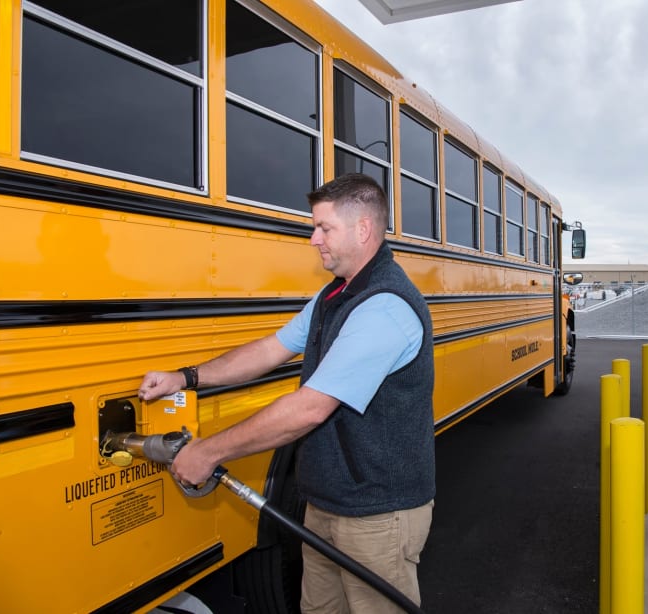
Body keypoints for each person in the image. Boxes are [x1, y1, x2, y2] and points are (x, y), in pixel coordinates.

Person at [138, 173, 436, 613]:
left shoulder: (385, 307)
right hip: (326, 504)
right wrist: (186, 377)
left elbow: (310, 409)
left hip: (378, 514)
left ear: (363, 230)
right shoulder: (334, 295)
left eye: (323, 228)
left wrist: (210, 452)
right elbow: (270, 350)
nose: (313, 239)